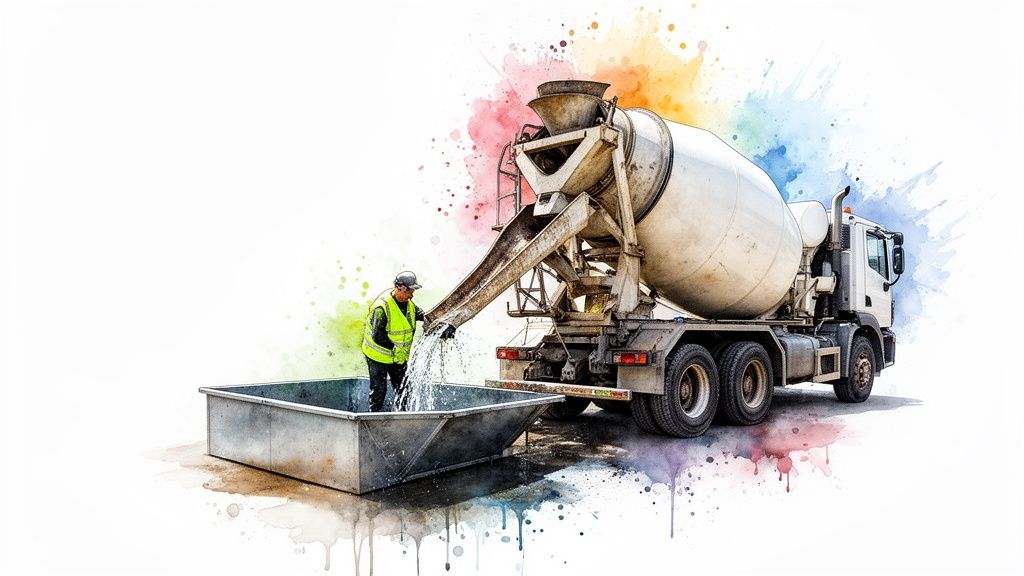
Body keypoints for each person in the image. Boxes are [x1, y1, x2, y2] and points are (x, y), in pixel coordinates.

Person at [361, 271, 425, 411]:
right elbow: (377, 336)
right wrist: (395, 348)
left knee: (404, 390)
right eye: (410, 290)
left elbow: (424, 316)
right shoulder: (382, 308)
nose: (412, 294)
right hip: (377, 356)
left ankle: (402, 421)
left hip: (397, 358)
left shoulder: (410, 305)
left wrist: (440, 322)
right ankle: (373, 421)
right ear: (400, 287)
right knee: (378, 392)